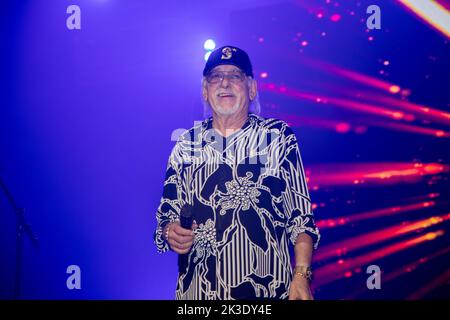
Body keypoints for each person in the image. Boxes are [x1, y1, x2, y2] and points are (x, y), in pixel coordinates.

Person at [154, 45, 320, 300]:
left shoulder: (276, 137)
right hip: (198, 295)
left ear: (252, 88)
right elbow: (166, 219)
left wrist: (301, 276)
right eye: (216, 76)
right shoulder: (186, 144)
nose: (224, 82)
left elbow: (301, 219)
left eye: (235, 76)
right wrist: (170, 232)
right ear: (205, 91)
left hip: (267, 295)